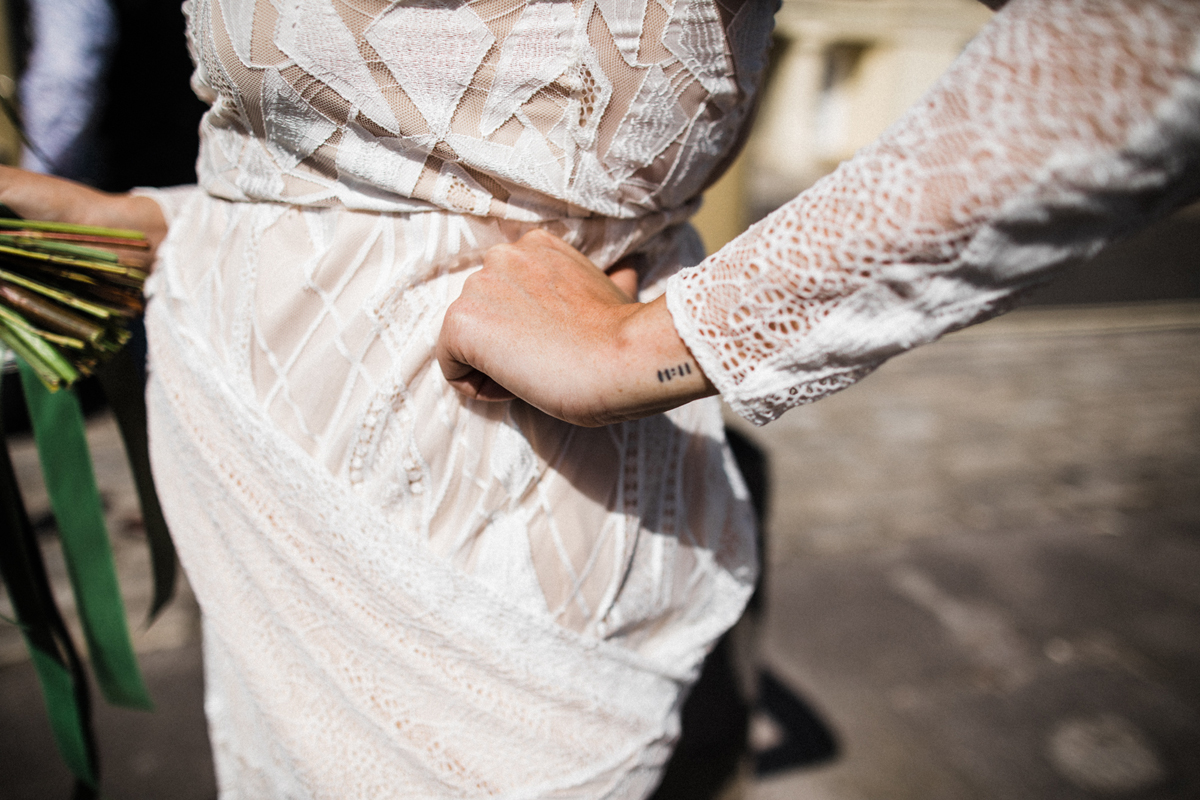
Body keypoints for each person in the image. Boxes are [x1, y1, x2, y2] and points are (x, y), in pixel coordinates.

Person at [1, 1, 1197, 799]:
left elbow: (1154, 40)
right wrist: (170, 218)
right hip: (242, 456)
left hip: (484, 540)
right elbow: (340, 164)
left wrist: (661, 337)